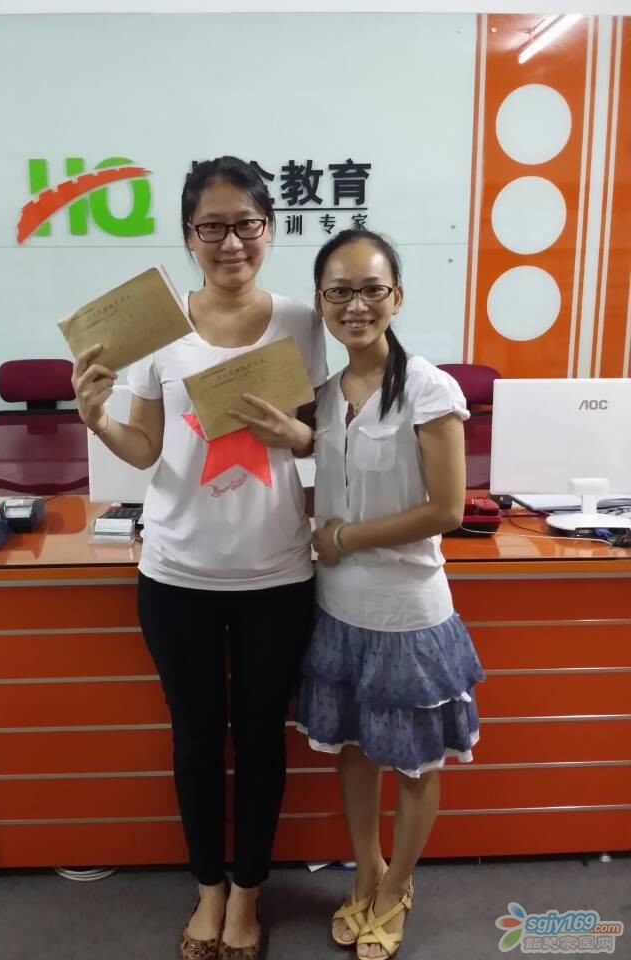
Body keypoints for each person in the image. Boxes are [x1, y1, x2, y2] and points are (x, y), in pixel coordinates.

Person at [71, 156, 327, 960]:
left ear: (270, 230)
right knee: (194, 740)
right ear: (188, 235)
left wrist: (297, 435)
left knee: (260, 740)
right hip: (176, 573)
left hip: (276, 574)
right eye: (212, 226)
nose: (231, 242)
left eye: (246, 224)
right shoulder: (157, 329)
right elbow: (145, 447)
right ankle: (208, 887)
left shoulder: (304, 322)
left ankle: (248, 894)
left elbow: (328, 441)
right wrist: (97, 420)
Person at [294, 229, 485, 959]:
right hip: (338, 609)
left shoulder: (428, 388)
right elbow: (323, 487)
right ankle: (366, 869)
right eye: (339, 292)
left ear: (397, 297)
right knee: (354, 748)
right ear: (320, 302)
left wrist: (344, 538)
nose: (356, 305)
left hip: (407, 613)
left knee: (414, 762)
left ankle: (398, 885)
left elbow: (447, 508)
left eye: (372, 290)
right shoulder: (321, 396)